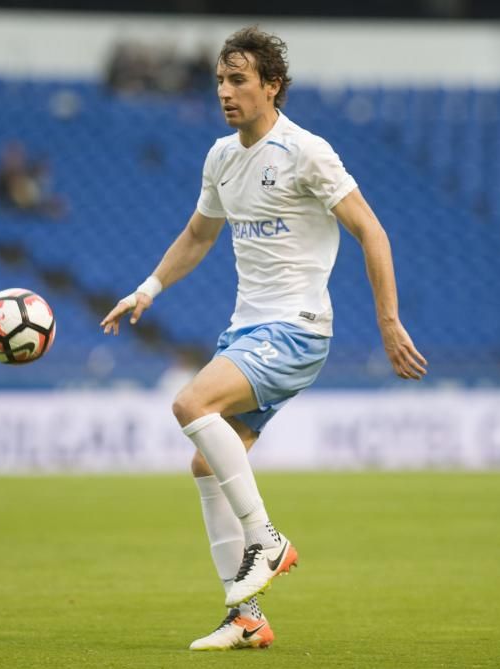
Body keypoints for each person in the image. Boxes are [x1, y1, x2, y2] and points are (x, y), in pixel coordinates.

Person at [100, 27, 427, 651]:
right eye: (221, 80)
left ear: (271, 87)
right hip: (248, 331)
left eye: (239, 80)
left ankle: (267, 540)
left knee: (190, 404)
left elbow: (372, 231)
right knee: (206, 462)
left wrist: (388, 322)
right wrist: (147, 289)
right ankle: (246, 618)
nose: (225, 91)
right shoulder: (221, 157)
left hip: (296, 328)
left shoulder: (306, 152)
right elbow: (198, 236)